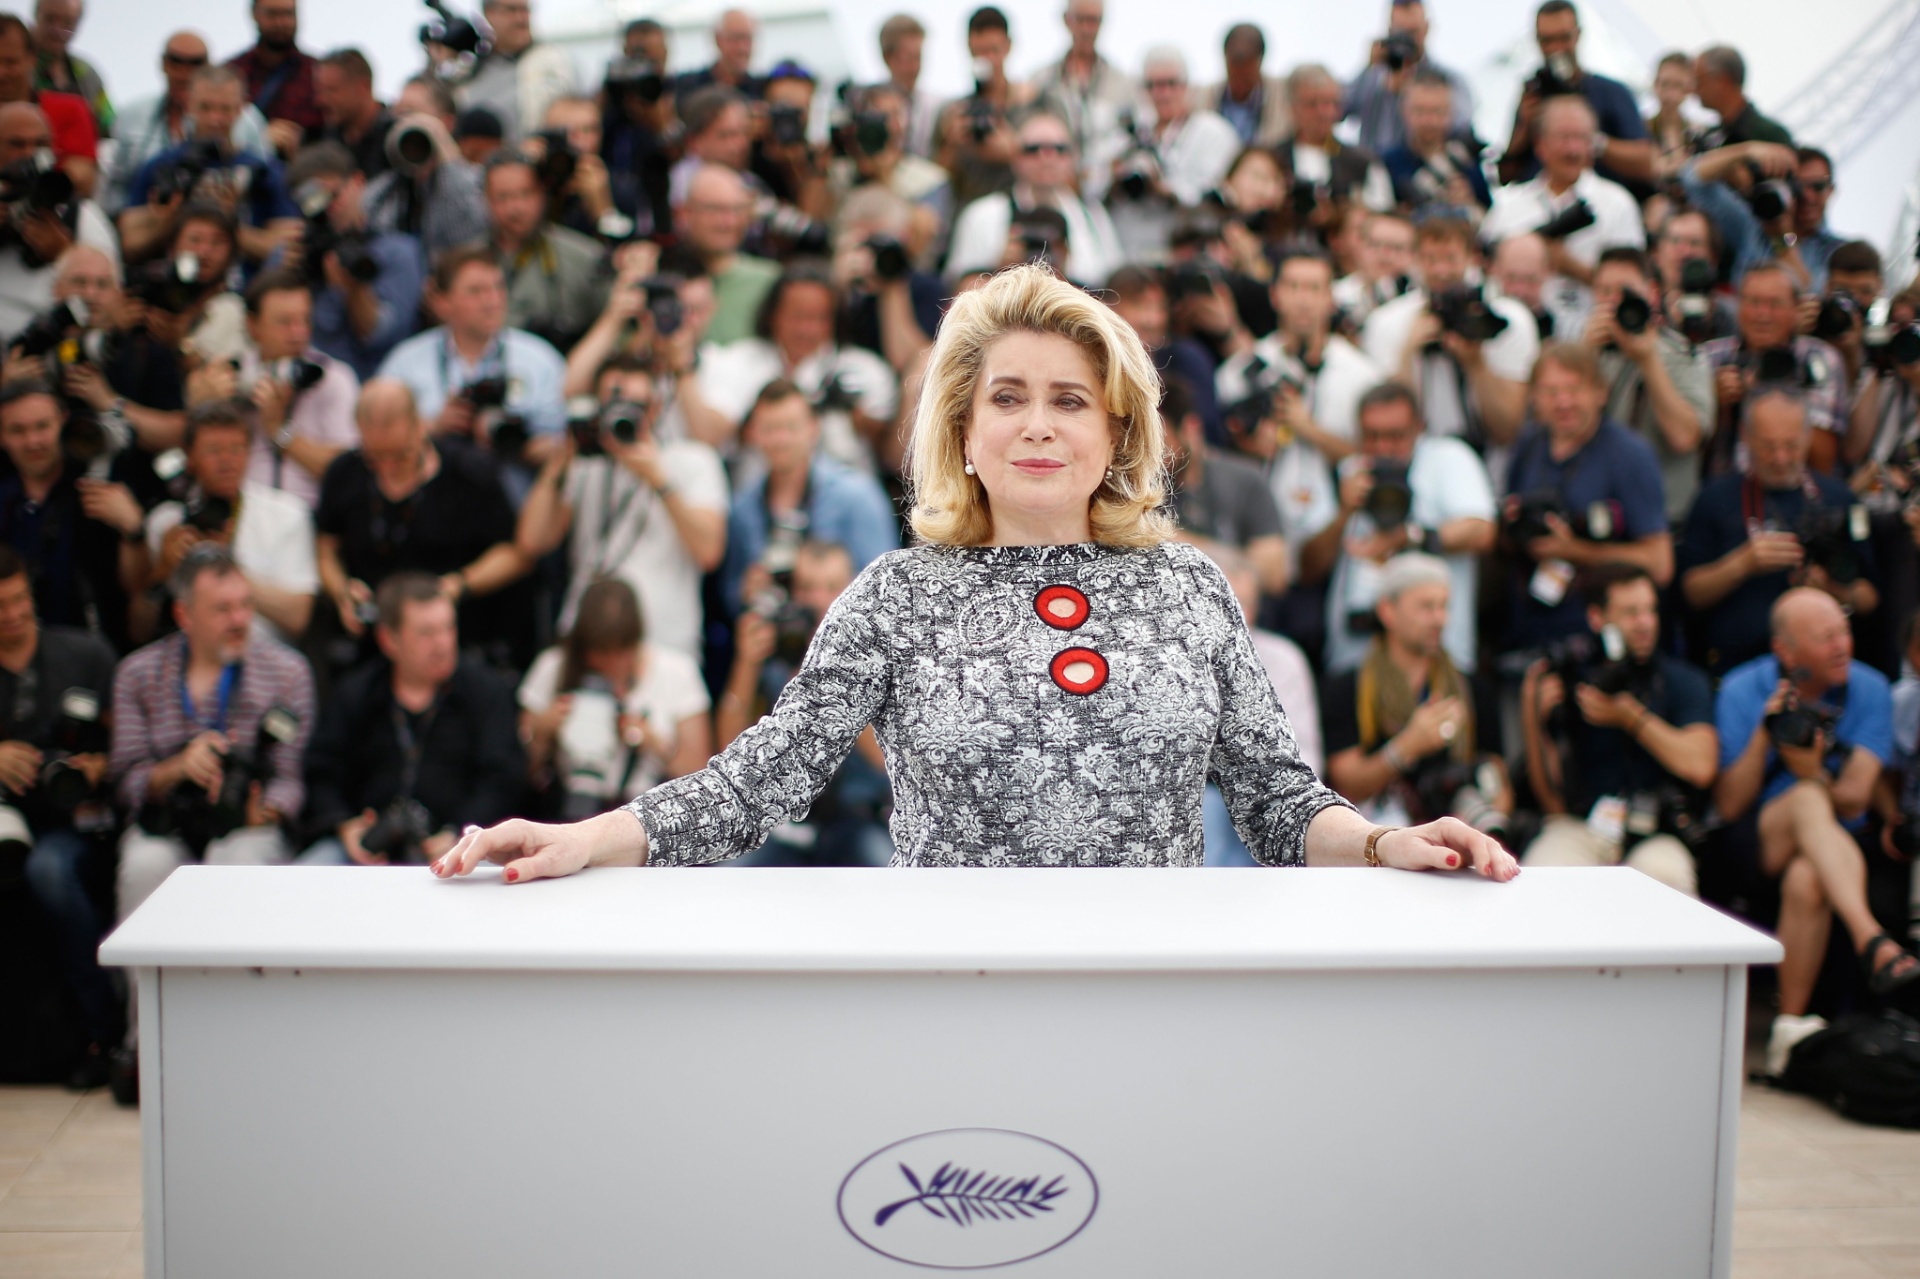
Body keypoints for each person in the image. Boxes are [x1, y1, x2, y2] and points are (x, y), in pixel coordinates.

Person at [435, 264, 1520, 882]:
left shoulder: (1193, 589)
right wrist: (590, 835)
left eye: (1069, 399)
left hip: (1155, 988)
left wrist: (1384, 844)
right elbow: (758, 780)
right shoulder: (896, 594)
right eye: (1007, 397)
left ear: (1117, 432)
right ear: (962, 431)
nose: (1037, 425)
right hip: (952, 987)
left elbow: (1279, 804)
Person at [109, 543, 316, 1047]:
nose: (240, 619)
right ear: (184, 614)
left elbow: (292, 780)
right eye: (222, 609)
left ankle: (237, 1039)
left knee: (237, 865)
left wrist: (265, 809)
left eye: (244, 604)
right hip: (166, 823)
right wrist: (176, 769)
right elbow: (124, 780)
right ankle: (149, 1042)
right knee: (144, 866)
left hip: (244, 827)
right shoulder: (138, 673)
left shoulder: (286, 672)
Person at [1715, 589, 1917, 1070]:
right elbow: (1729, 803)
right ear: (1785, 651)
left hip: (1834, 845)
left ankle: (1791, 1030)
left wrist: (1813, 768)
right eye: (1826, 638)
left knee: (1809, 876)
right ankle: (1872, 938)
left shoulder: (1868, 688)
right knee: (1805, 799)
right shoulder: (1744, 688)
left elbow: (1854, 795)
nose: (1842, 645)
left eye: (1844, 631)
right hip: (1759, 837)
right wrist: (1768, 730)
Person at [1519, 565, 1717, 895]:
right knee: (1541, 878)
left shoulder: (1681, 680)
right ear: (1597, 618)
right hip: (1583, 826)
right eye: (1630, 613)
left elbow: (1701, 767)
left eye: (1650, 611)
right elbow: (1552, 800)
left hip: (1658, 830)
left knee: (1665, 879)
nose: (1644, 624)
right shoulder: (1575, 678)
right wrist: (1532, 717)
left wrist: (1631, 718)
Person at [300, 572, 523, 865]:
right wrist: (344, 825)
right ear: (388, 640)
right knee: (312, 869)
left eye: (448, 628)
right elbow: (321, 769)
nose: (442, 643)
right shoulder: (358, 693)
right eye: (426, 633)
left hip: (462, 845)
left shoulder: (485, 692)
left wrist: (462, 833)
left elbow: (503, 780)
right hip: (366, 848)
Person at [517, 357, 728, 663]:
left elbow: (709, 552)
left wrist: (658, 479)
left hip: (664, 642)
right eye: (613, 403)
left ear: (655, 409)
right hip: (586, 636)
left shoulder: (692, 460)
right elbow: (532, 542)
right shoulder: (584, 464)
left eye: (635, 405)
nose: (622, 414)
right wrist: (558, 463)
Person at [2, 546, 119, 1084]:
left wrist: (98, 766)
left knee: (50, 871)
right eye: (0, 606)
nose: (12, 615)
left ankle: (100, 1030)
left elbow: (127, 742)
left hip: (74, 823)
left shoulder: (86, 655)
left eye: (20, 600)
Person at [315, 380, 529, 667]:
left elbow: (514, 553)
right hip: (371, 643)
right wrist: (342, 591)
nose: (388, 467)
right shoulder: (345, 473)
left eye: (400, 455)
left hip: (457, 639)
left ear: (420, 427)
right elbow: (326, 548)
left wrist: (459, 585)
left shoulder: (470, 473)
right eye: (375, 458)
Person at [712, 540, 893, 867]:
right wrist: (746, 663)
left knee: (892, 874)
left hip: (855, 818)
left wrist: (833, 679)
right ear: (791, 593)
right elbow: (728, 747)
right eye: (808, 588)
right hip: (783, 823)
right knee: (729, 878)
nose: (820, 601)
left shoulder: (874, 651)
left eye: (832, 588)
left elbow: (887, 762)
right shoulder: (776, 647)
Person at [1298, 381, 1496, 675]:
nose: (1382, 448)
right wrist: (1344, 513)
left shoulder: (1446, 458)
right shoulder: (1349, 471)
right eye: (1372, 436)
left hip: (1437, 662)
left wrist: (1407, 538)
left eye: (1395, 436)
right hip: (1354, 663)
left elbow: (1481, 531)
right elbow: (1308, 566)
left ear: (1419, 427)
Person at [1679, 389, 1876, 677]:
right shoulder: (1715, 498)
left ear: (1809, 436)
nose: (1781, 458)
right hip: (1735, 666)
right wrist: (1743, 564)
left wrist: (1833, 590)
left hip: (1817, 672)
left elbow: (1870, 597)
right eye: (1768, 447)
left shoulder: (1839, 500)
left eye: (1792, 445)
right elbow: (1690, 593)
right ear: (1745, 436)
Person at [1322, 552, 1509, 836]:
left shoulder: (1472, 689)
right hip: (1376, 840)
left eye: (1444, 607)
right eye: (1426, 607)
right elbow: (1345, 786)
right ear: (1387, 610)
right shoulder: (1347, 687)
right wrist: (1407, 746)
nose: (1439, 619)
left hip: (1455, 839)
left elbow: (1500, 789)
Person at [1505, 343, 1674, 649]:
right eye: (1551, 392)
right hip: (1530, 625)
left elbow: (1659, 563)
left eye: (1574, 389)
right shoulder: (1530, 443)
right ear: (1533, 398)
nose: (1563, 402)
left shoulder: (1629, 455)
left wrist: (1575, 550)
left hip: (1599, 638)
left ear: (1601, 392)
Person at [519, 575, 710, 820]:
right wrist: (542, 732)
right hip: (567, 813)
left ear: (636, 641)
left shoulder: (677, 672)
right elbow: (513, 770)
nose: (610, 663)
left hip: (649, 817)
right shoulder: (553, 667)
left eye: (619, 652)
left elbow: (702, 776)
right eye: (600, 652)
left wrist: (654, 743)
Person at [138, 398, 318, 646]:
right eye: (214, 450)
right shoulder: (166, 522)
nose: (227, 461)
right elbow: (138, 630)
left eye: (237, 449)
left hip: (262, 660)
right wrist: (161, 573)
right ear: (190, 457)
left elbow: (297, 617)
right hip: (186, 660)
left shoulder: (287, 514)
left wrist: (225, 568)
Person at [375, 244, 566, 470]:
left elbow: (561, 440)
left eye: (498, 287)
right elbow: (375, 437)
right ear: (442, 302)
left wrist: (514, 441)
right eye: (476, 291)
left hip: (514, 483)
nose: (492, 301)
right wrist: (433, 427)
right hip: (432, 485)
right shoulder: (405, 363)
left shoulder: (540, 359)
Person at [699, 264, 901, 477]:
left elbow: (889, 453)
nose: (807, 329)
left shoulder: (865, 369)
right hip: (756, 493)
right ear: (772, 314)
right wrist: (755, 421)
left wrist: (853, 413)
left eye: (819, 318)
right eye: (797, 316)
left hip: (841, 494)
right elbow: (715, 437)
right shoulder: (738, 360)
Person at [717, 378, 898, 616]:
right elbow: (730, 598)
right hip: (775, 643)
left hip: (845, 639)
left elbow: (889, 589)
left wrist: (825, 588)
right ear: (752, 433)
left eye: (791, 427)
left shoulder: (857, 497)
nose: (781, 439)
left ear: (814, 428)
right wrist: (747, 592)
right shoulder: (743, 508)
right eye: (770, 429)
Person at [1361, 215, 1537, 449]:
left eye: (1450, 258)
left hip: (1492, 460)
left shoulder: (1509, 319)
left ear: (1471, 258)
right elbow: (1388, 424)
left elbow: (1508, 429)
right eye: (1430, 259)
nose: (1441, 271)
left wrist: (1476, 364)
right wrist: (1409, 352)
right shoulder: (1386, 322)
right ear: (1414, 260)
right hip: (1420, 454)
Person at [1480, 95, 1645, 334]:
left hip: (1594, 337)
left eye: (1582, 138)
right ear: (1540, 145)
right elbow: (1485, 272)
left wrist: (1570, 266)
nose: (1573, 149)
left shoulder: (1617, 204)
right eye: (1564, 138)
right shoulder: (1508, 204)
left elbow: (1632, 285)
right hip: (1518, 335)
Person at [0, 379, 143, 650]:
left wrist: (133, 530)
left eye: (42, 426)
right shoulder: (4, 499)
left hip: (95, 653)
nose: (33, 441)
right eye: (18, 430)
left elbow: (137, 588)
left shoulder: (100, 488)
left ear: (63, 422)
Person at [119, 65, 301, 266]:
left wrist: (225, 223)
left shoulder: (264, 171)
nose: (215, 119)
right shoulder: (162, 166)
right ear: (189, 105)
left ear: (240, 108)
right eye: (206, 107)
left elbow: (288, 250)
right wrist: (171, 218)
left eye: (225, 109)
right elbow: (130, 244)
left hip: (241, 286)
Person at [1581, 246, 1712, 523]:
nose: (1614, 301)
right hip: (1596, 518)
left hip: (1662, 520)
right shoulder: (1587, 353)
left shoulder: (1683, 356)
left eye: (1624, 291)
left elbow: (1685, 437)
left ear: (1652, 293)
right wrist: (1584, 356)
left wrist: (1647, 358)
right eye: (1604, 291)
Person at [282, 141, 426, 383]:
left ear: (358, 183)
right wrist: (286, 278)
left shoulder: (398, 252)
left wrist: (354, 288)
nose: (328, 208)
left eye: (334, 195)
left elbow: (383, 336)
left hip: (372, 387)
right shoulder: (291, 254)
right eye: (314, 201)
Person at [1701, 263, 1850, 478]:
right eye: (1753, 302)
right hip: (1725, 496)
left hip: (1797, 496)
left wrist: (1767, 395)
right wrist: (1715, 405)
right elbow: (1686, 452)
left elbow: (1823, 461)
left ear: (1796, 309)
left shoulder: (1819, 359)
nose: (1763, 314)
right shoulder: (1710, 357)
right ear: (1738, 305)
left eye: (1774, 304)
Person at [945, 110, 1124, 287]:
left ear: (1073, 158)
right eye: (1033, 149)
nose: (1047, 158)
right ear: (1015, 156)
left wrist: (1064, 276)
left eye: (1059, 149)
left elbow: (1113, 289)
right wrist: (1000, 270)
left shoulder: (1093, 217)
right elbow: (959, 294)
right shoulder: (981, 215)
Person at [102, 31, 273, 215]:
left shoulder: (249, 122)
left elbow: (266, 179)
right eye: (176, 61)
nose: (184, 73)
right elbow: (117, 187)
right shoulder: (133, 116)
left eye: (195, 63)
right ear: (163, 64)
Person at [1099, 46, 1240, 258]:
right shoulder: (1127, 133)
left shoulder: (1213, 132)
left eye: (1170, 84)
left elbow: (1216, 196)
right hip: (1127, 251)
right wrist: (1114, 176)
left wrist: (1166, 189)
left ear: (1187, 86)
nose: (1161, 93)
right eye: (1152, 85)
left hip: (1185, 251)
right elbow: (1093, 184)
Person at [1497, 1, 1653, 189]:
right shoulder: (1533, 95)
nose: (1556, 48)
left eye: (1563, 38)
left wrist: (1591, 140)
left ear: (1577, 35)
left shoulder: (1611, 93)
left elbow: (1646, 162)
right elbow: (1505, 176)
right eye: (1547, 41)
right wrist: (1523, 132)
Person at [0, 102, 117, 346]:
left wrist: (65, 254)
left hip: (59, 347)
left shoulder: (81, 215)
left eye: (41, 145)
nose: (29, 154)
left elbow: (112, 305)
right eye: (17, 144)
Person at [1160, 378, 1287, 597]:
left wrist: (1179, 543)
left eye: (1162, 437)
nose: (1155, 452)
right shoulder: (1140, 488)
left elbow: (1275, 573)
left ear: (1191, 427)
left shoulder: (1243, 479)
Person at [484, 149, 610, 355]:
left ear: (543, 194)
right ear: (485, 200)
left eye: (525, 193)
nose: (515, 208)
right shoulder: (466, 262)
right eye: (502, 197)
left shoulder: (586, 256)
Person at [361, 82, 490, 262]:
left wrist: (444, 148)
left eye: (411, 113)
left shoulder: (475, 178)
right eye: (398, 113)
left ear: (446, 123)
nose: (402, 122)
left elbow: (473, 227)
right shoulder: (385, 189)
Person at [932, 7, 1034, 210]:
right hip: (970, 212)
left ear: (1008, 46)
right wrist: (951, 144)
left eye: (993, 50)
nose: (987, 60)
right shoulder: (953, 112)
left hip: (1022, 211)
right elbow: (936, 180)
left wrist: (1013, 151)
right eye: (979, 52)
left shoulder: (1031, 106)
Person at [1344, 0, 1474, 157]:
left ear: (1426, 28)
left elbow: (1461, 126)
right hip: (1374, 171)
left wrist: (1413, 97)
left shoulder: (1450, 79)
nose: (1406, 41)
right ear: (1389, 30)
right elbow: (1339, 110)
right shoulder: (1373, 76)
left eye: (1413, 33)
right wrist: (1368, 67)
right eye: (1400, 32)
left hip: (1423, 173)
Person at [1028, 0, 1136, 176]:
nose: (1087, 29)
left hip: (1107, 189)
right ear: (1066, 20)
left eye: (1093, 21)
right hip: (1054, 183)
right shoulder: (1041, 81)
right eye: (1081, 20)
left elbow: (1134, 138)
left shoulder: (1123, 84)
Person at [677, 164, 779, 347]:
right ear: (685, 213)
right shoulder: (661, 274)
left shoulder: (772, 282)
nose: (728, 222)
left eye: (738, 210)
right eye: (715, 209)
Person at [1276, 64, 1394, 223]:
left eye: (1332, 104)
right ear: (1292, 108)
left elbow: (1384, 216)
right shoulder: (1273, 159)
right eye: (1313, 104)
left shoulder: (1361, 163)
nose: (1325, 113)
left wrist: (1341, 215)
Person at [451, 0, 576, 141]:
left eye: (525, 10)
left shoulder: (555, 62)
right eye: (511, 10)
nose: (521, 19)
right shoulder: (468, 72)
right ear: (489, 13)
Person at [0, 12, 94, 195]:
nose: (1, 73)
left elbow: (84, 178)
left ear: (32, 59)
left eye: (11, 62)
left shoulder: (70, 110)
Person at [1381, 69, 1488, 218]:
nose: (1429, 121)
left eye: (1438, 112)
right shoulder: (1387, 163)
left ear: (1451, 113)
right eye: (1420, 111)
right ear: (1404, 111)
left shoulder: (1470, 158)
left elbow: (1490, 215)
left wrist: (1469, 202)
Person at [226, 0, 319, 155]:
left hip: (306, 166)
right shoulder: (234, 72)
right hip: (244, 168)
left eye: (288, 14)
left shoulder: (317, 73)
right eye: (272, 14)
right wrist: (260, 138)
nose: (281, 22)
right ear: (255, 15)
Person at [1198, 23, 1290, 149]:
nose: (1239, 74)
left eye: (1246, 67)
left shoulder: (1286, 98)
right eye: (1235, 65)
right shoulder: (1200, 99)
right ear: (1225, 57)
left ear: (1260, 61)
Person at [29, 0, 107, 138]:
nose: (57, 29)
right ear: (36, 16)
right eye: (50, 19)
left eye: (68, 23)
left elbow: (109, 123)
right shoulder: (17, 66)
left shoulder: (86, 73)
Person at [1693, 45, 1793, 151]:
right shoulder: (1709, 139)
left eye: (1699, 81)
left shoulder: (1770, 135)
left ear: (1723, 81)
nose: (1694, 90)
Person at [315, 47, 392, 181]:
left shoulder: (396, 138)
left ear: (363, 87)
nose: (321, 101)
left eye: (332, 90)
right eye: (319, 91)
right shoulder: (324, 139)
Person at [672, 8, 763, 106]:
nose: (742, 48)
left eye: (748, 39)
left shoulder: (762, 89)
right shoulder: (690, 86)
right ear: (717, 40)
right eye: (736, 39)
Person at [877, 14, 937, 159]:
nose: (915, 67)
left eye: (918, 57)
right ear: (887, 58)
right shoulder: (871, 107)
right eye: (908, 58)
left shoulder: (933, 107)